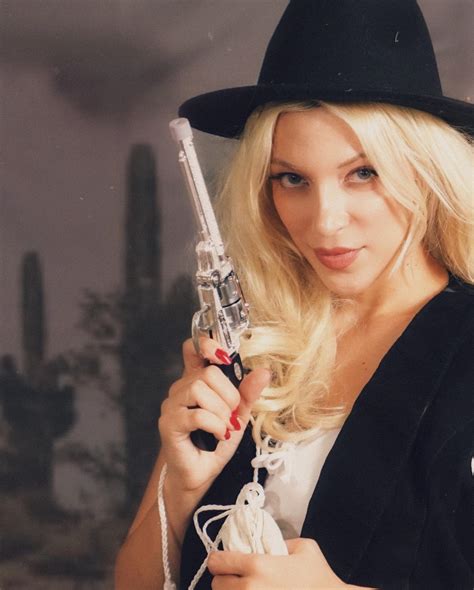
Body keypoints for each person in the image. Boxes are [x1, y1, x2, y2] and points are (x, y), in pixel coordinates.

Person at [115, 1, 473, 588]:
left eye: (363, 173)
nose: (325, 221)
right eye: (292, 179)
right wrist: (179, 487)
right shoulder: (249, 343)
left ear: (426, 172)